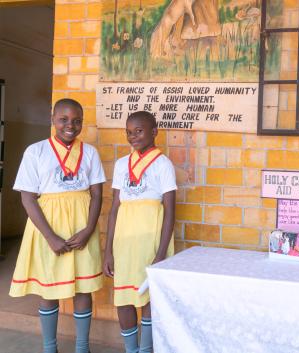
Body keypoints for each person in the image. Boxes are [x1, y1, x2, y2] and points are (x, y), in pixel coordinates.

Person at [10, 98, 106, 353]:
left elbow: (97, 194)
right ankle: (49, 347)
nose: (70, 125)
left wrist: (87, 230)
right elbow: (27, 197)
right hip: (47, 227)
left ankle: (82, 347)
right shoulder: (36, 151)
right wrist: (51, 236)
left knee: (83, 288)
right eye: (63, 119)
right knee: (49, 287)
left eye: (76, 121)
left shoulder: (90, 153)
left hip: (81, 226)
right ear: (52, 119)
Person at [103, 111, 176, 353]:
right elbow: (115, 208)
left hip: (151, 240)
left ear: (154, 132)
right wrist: (108, 251)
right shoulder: (122, 164)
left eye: (139, 131)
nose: (133, 136)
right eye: (129, 132)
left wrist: (161, 253)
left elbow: (169, 211)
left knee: (148, 298)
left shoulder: (164, 164)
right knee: (124, 297)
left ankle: (145, 349)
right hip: (124, 242)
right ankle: (130, 349)